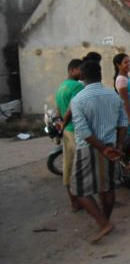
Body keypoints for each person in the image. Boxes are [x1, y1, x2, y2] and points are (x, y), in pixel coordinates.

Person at [70, 60, 128, 243]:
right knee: (108, 186)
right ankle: (105, 220)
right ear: (100, 75)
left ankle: (104, 223)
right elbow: (123, 123)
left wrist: (103, 149)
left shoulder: (78, 100)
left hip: (88, 148)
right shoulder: (113, 96)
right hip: (111, 145)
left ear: (82, 76)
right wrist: (118, 146)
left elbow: (84, 131)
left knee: (79, 189)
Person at [55, 59, 84, 211]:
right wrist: (64, 124)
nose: (83, 73)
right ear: (72, 70)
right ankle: (85, 200)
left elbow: (58, 110)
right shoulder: (78, 86)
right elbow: (71, 109)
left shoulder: (61, 87)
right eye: (80, 69)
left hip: (67, 130)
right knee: (82, 165)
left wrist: (61, 125)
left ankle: (74, 202)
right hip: (75, 129)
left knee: (68, 164)